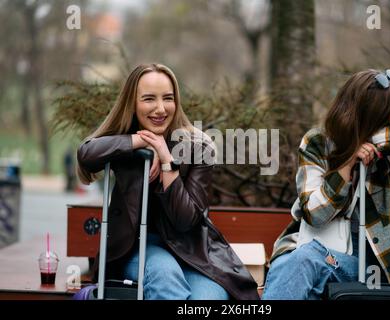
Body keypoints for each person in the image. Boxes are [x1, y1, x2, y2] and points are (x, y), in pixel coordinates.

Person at [77, 63, 259, 300]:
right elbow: (87, 154)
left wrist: (166, 160)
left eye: (168, 98)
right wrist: (142, 142)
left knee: (210, 298)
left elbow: (186, 221)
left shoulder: (198, 147)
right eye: (149, 99)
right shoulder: (124, 144)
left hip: (192, 251)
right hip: (138, 247)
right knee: (165, 275)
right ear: (132, 103)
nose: (160, 108)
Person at [262, 69, 390, 300]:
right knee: (300, 263)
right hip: (307, 249)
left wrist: (364, 139)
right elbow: (315, 214)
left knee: (305, 262)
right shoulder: (317, 143)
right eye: (387, 120)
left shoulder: (388, 151)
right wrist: (346, 164)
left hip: (369, 266)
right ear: (368, 116)